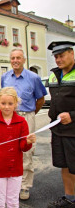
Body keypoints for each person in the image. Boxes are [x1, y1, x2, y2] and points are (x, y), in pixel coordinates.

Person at [1, 48, 47, 200]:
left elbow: (40, 99)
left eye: (18, 58)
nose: (15, 60)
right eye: (13, 58)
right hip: (8, 117)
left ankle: (24, 186)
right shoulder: (5, 77)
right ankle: (11, 183)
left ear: (24, 60)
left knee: (26, 151)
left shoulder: (33, 77)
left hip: (26, 117)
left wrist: (31, 113)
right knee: (8, 150)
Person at [0, 87, 36, 208]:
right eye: (3, 103)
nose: (6, 107)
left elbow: (24, 148)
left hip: (15, 169)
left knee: (13, 202)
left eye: (10, 104)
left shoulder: (22, 122)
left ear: (16, 104)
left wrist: (28, 142)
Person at [46, 41, 75, 208]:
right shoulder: (54, 74)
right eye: (55, 57)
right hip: (58, 130)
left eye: (61, 55)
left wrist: (72, 116)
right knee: (64, 164)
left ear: (71, 53)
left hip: (73, 130)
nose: (58, 60)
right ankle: (69, 197)